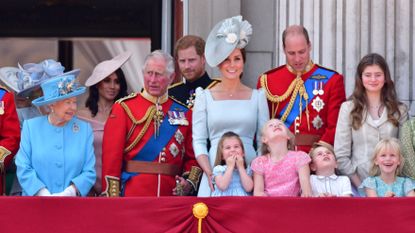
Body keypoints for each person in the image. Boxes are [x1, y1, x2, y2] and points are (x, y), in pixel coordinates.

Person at [101, 50, 201, 197]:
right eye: (149, 73)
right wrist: (112, 198)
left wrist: (188, 183)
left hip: (171, 196)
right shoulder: (124, 108)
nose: (152, 80)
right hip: (133, 195)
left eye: (159, 74)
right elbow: (111, 158)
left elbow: (193, 157)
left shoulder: (185, 112)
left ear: (171, 77)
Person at [193, 15, 269, 197]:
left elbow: (262, 141)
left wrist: (256, 175)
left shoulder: (258, 96)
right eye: (226, 59)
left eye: (237, 59)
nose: (232, 65)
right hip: (215, 174)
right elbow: (199, 141)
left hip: (249, 173)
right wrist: (209, 172)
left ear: (243, 62)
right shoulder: (204, 96)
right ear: (219, 63)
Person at [257, 25, 346, 153]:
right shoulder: (267, 81)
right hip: (280, 155)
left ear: (309, 46)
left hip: (316, 155)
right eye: (291, 53)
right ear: (283, 49)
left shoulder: (332, 79)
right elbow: (262, 127)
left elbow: (335, 127)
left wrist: (317, 154)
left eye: (302, 52)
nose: (297, 59)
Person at [0, 59, 80, 196]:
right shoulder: (27, 116)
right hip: (28, 188)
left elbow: (83, 163)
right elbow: (21, 158)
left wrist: (73, 188)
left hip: (64, 189)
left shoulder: (76, 124)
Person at [15, 71, 96, 196]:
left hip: (73, 206)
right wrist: (41, 192)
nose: (73, 107)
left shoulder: (84, 130)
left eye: (74, 102)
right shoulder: (31, 127)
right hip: (36, 205)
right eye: (67, 102)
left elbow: (89, 171)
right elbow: (23, 166)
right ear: (52, 104)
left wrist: (71, 191)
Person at [334, 53, 408, 190]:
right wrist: (362, 187)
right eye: (368, 75)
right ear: (360, 78)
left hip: (393, 187)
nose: (373, 79)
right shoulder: (348, 108)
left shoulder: (400, 110)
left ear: (385, 77)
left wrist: (394, 186)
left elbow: (404, 152)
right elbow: (341, 155)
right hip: (357, 184)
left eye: (378, 74)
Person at [77, 51, 130, 196]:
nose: (113, 86)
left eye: (117, 81)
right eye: (107, 80)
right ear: (97, 84)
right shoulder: (80, 117)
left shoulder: (128, 116)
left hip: (120, 188)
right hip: (87, 189)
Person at [251, 119, 311, 197]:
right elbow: (258, 193)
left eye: (280, 124)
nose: (276, 126)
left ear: (288, 136)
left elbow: (306, 192)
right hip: (269, 206)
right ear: (264, 139)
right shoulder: (260, 162)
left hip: (293, 206)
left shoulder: (299, 158)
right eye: (271, 125)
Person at [168, 35, 219, 109]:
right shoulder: (171, 94)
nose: (187, 66)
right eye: (182, 61)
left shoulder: (218, 90)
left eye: (191, 60)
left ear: (203, 59)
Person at [211, 131, 253, 197]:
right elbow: (222, 186)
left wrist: (241, 167)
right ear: (222, 156)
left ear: (243, 153)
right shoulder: (219, 169)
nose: (233, 150)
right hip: (224, 203)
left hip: (243, 203)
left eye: (236, 146)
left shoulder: (247, 170)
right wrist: (230, 167)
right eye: (228, 148)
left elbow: (249, 188)